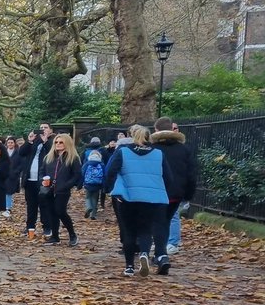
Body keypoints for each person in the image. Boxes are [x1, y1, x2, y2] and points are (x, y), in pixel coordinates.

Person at [105, 125, 173, 276]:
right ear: (149, 138)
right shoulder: (158, 154)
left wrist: (110, 189)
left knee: (128, 231)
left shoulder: (123, 152)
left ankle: (129, 266)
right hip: (151, 199)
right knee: (145, 230)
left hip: (128, 197)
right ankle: (144, 253)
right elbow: (168, 178)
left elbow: (110, 172)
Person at [150, 117, 197, 257]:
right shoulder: (184, 150)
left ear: (156, 130)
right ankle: (163, 249)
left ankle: (160, 253)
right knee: (166, 221)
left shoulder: (152, 149)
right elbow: (191, 174)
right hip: (175, 194)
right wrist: (188, 194)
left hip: (156, 192)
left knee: (157, 222)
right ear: (172, 129)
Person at [39, 133, 81, 246]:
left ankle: (72, 234)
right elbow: (42, 171)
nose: (58, 144)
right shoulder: (48, 157)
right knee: (51, 212)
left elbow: (76, 175)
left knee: (60, 211)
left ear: (67, 143)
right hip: (48, 189)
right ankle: (55, 236)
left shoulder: (73, 158)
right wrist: (42, 181)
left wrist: (66, 185)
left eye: (61, 142)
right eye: (56, 142)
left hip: (62, 190)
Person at [16, 123, 54, 238]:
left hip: (43, 180)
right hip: (30, 179)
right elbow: (21, 152)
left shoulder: (53, 141)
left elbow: (53, 154)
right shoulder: (34, 141)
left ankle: (47, 227)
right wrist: (29, 141)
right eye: (41, 128)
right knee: (31, 205)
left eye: (45, 128)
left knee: (44, 204)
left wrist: (45, 141)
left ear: (51, 130)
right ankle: (30, 227)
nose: (42, 130)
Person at [81, 137, 106, 220]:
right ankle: (93, 214)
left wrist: (81, 182)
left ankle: (88, 207)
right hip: (97, 184)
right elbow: (104, 174)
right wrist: (104, 184)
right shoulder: (101, 164)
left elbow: (82, 172)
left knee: (88, 197)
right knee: (95, 198)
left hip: (88, 183)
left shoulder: (87, 163)